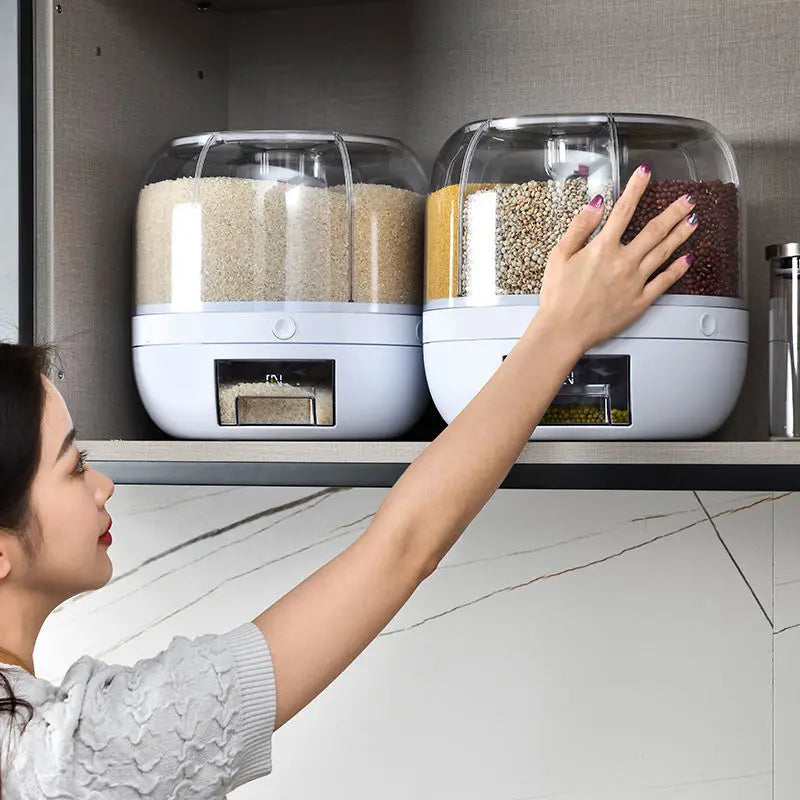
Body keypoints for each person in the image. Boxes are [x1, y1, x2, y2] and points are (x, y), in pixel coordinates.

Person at [0, 166, 697, 799]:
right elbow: (402, 547)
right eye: (74, 465)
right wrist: (560, 328)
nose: (104, 486)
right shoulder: (80, 754)